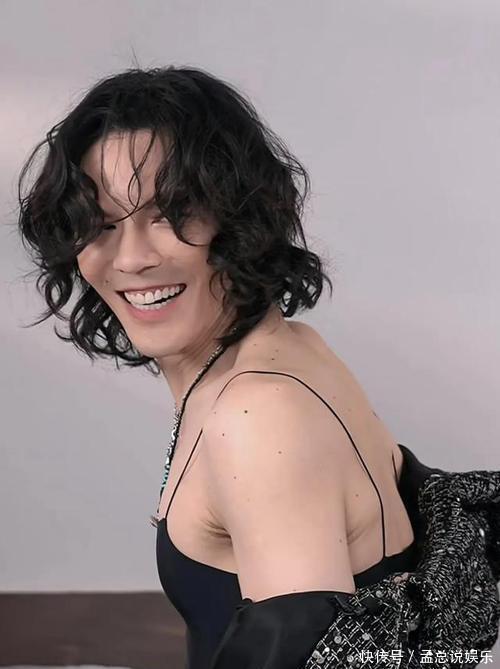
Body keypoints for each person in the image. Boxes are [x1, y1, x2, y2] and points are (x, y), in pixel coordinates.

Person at [16, 66, 500, 669]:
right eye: (100, 222)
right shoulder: (288, 347)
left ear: (239, 215)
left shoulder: (257, 415)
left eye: (170, 213)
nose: (132, 258)